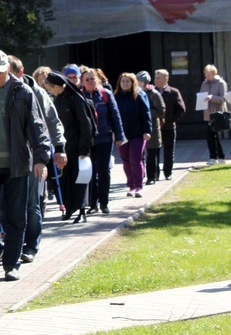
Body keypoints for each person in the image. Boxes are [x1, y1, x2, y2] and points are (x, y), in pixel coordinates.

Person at [0, 50, 48, 281]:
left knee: (15, 216)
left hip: (17, 165)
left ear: (7, 70)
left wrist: (41, 159)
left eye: (0, 72)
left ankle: (11, 264)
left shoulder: (23, 92)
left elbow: (37, 126)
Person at [8, 56, 66, 263]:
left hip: (33, 156)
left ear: (19, 73)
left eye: (8, 74)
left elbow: (53, 122)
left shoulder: (36, 93)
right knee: (9, 204)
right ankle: (12, 244)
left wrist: (59, 148)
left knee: (32, 202)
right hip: (7, 158)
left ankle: (31, 245)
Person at [44, 71, 94, 224]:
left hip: (78, 147)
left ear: (58, 86)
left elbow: (86, 125)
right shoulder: (58, 99)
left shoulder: (76, 99)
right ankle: (69, 208)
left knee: (80, 179)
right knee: (65, 179)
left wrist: (84, 148)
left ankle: (82, 210)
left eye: (50, 88)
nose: (49, 91)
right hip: (65, 148)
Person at [81, 68, 125, 214]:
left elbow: (115, 115)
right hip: (88, 140)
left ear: (97, 80)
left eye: (92, 79)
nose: (90, 82)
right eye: (87, 79)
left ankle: (104, 203)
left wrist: (119, 136)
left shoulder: (105, 95)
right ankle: (92, 204)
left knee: (103, 170)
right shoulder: (80, 96)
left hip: (104, 138)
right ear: (82, 82)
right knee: (90, 171)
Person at [114, 73, 152, 197]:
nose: (125, 84)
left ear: (133, 83)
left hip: (138, 134)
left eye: (128, 81)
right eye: (123, 81)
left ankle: (138, 186)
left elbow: (146, 114)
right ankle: (131, 186)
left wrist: (147, 131)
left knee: (135, 159)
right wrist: (115, 133)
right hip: (122, 134)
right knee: (126, 161)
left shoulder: (139, 95)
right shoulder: (116, 97)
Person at [155, 69, 186, 179]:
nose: (156, 80)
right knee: (154, 152)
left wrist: (171, 119)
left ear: (166, 78)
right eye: (155, 77)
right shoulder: (151, 92)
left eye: (159, 78)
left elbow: (181, 108)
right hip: (155, 128)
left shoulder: (173, 92)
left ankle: (168, 173)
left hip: (168, 127)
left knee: (168, 151)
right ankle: (154, 174)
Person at [136, 71, 165, 185]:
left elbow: (161, 110)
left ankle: (152, 176)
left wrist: (146, 112)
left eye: (138, 81)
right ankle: (141, 175)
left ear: (143, 82)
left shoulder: (154, 93)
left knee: (152, 153)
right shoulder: (135, 93)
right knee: (139, 154)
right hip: (139, 127)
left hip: (152, 127)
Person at [200, 64, 228, 165]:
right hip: (207, 113)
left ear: (213, 73)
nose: (206, 77)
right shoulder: (204, 83)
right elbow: (202, 95)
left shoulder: (220, 83)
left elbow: (223, 98)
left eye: (208, 74)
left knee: (213, 135)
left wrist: (212, 97)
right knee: (212, 135)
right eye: (205, 74)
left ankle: (215, 157)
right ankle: (219, 157)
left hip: (217, 113)